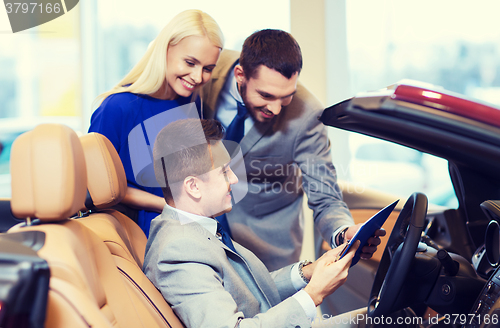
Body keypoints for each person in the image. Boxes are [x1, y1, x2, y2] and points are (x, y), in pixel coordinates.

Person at [144, 118, 371, 328]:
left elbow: (246, 290)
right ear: (193, 186)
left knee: (383, 317)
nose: (233, 178)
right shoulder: (179, 251)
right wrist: (314, 294)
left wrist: (309, 272)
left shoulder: (194, 227)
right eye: (224, 171)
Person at [201, 29, 385, 272]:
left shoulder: (308, 117)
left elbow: (325, 194)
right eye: (266, 95)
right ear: (240, 75)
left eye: (286, 97)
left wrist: (343, 232)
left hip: (268, 249)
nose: (276, 109)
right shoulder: (207, 69)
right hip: (201, 231)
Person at [88, 9, 223, 236]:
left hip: (187, 229)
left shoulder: (192, 102)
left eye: (207, 68)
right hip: (137, 234)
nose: (198, 77)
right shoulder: (117, 107)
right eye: (190, 62)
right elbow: (97, 188)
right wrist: (168, 205)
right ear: (165, 49)